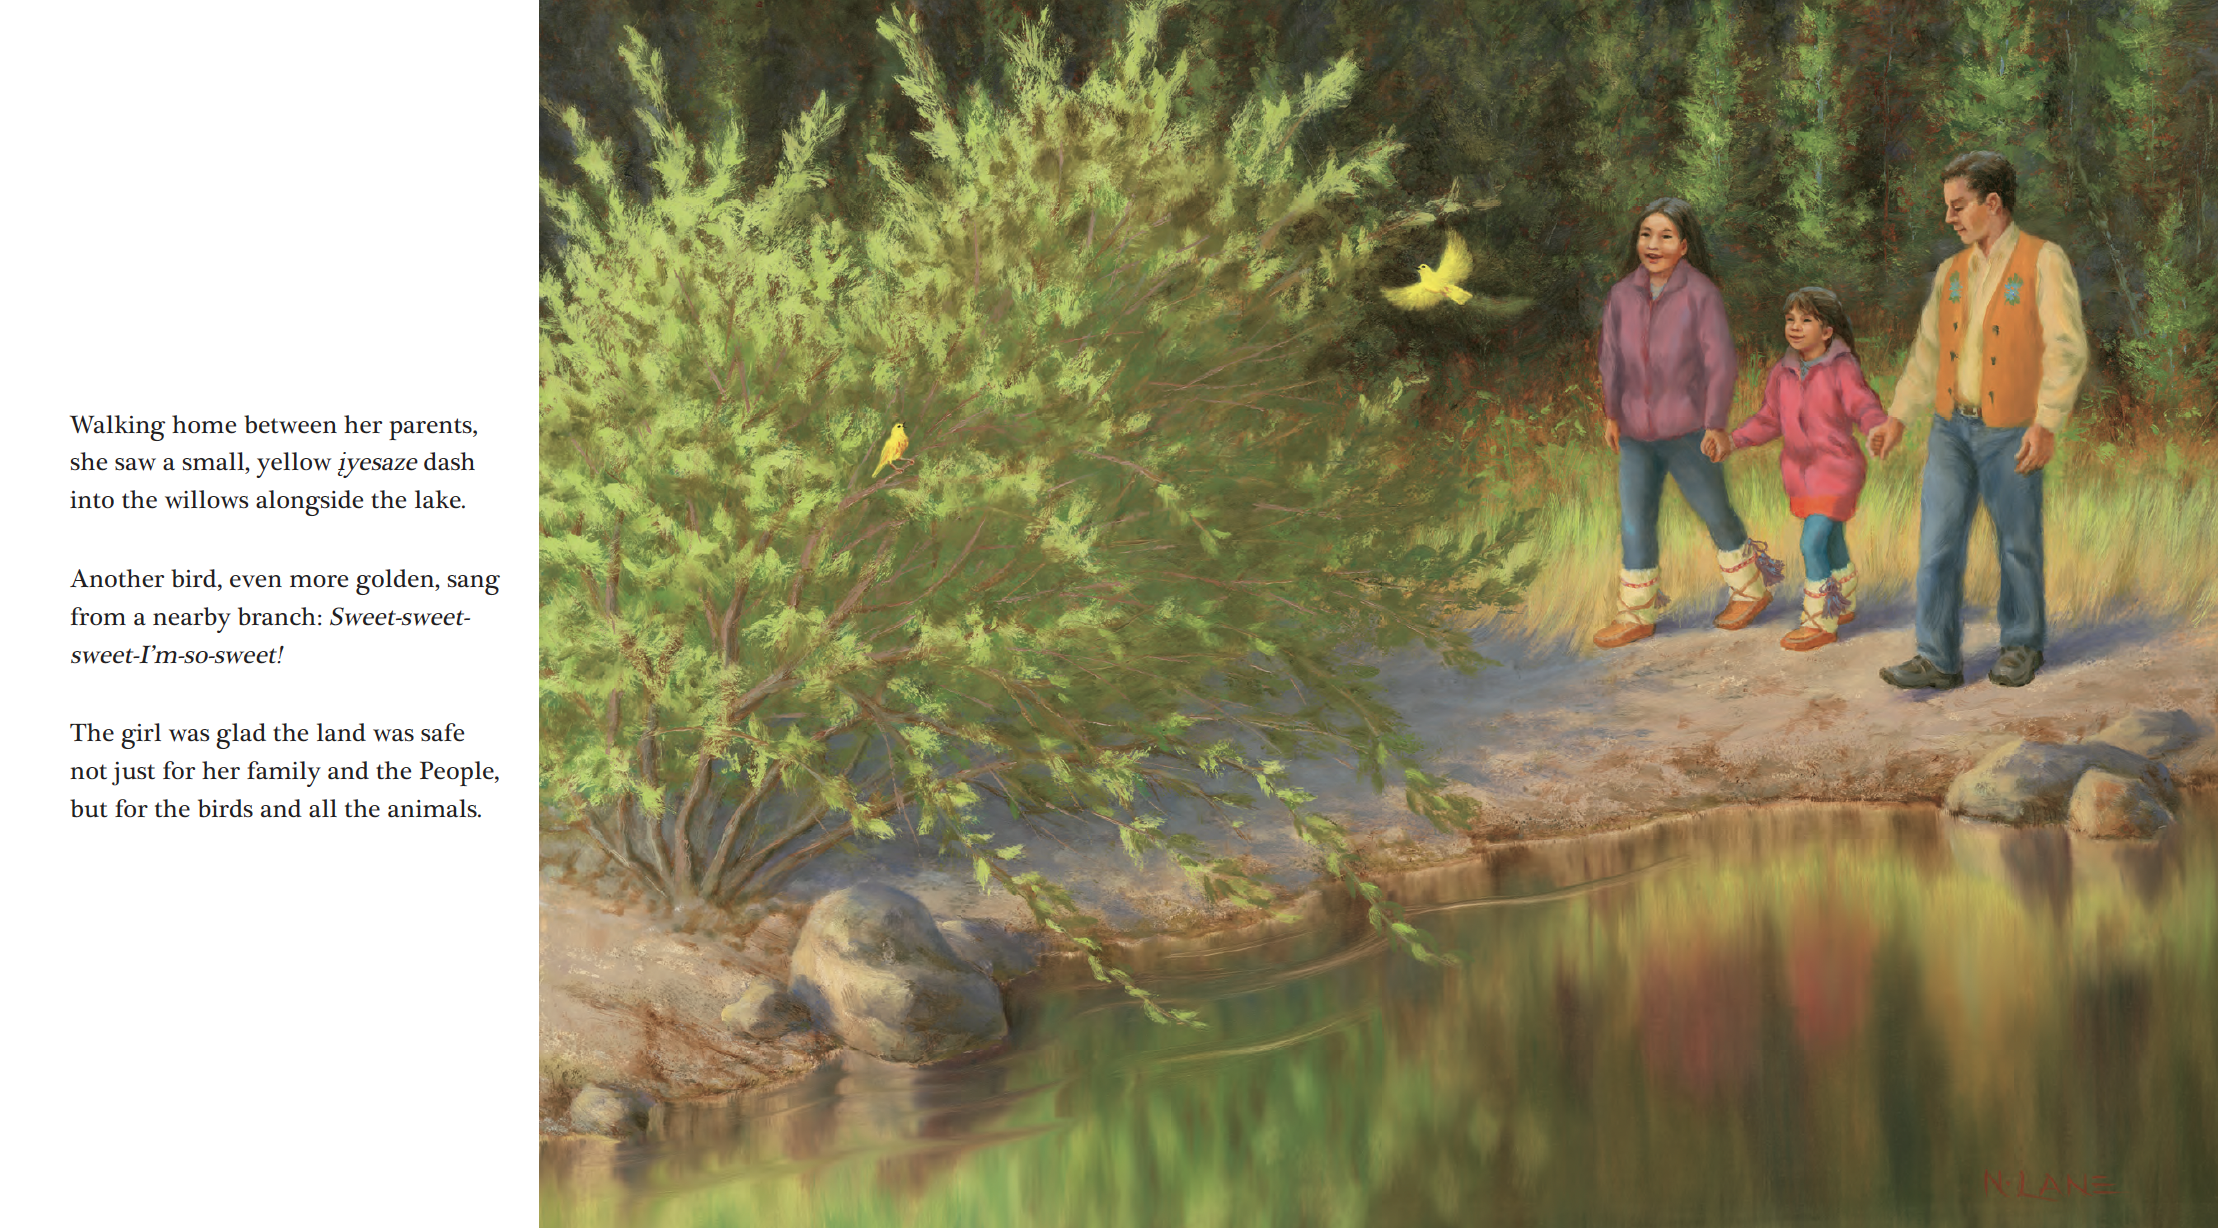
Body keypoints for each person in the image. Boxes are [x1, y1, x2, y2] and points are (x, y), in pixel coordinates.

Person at [1866, 152, 2090, 689]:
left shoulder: (2043, 260)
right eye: (1947, 207)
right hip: (1950, 428)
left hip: (2011, 428)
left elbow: (2066, 348)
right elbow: (1926, 352)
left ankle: (2021, 644)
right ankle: (1936, 657)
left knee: (2017, 543)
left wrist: (2047, 421)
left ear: (1993, 203)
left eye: (1958, 205)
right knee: (1937, 545)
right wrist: (1899, 417)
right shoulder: (1952, 272)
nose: (1949, 218)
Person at [1593, 197, 1782, 649]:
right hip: (1635, 431)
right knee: (1635, 520)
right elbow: (1610, 358)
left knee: (1714, 510)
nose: (1653, 245)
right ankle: (1636, 613)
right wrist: (1612, 413)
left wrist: (1715, 423)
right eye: (1646, 235)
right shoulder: (1621, 294)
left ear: (1684, 246)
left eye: (1665, 236)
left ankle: (1749, 590)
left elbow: (1720, 363)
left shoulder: (1701, 294)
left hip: (1689, 429)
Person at [1717, 287, 1890, 650]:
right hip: (1801, 475)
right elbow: (1769, 418)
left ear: (1827, 331)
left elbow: (1863, 403)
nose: (1795, 327)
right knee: (1832, 538)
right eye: (1790, 319)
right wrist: (1734, 440)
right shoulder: (1783, 371)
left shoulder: (1841, 367)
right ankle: (1842, 599)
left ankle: (1819, 621)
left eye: (1806, 320)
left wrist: (1876, 427)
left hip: (1837, 469)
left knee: (1812, 542)